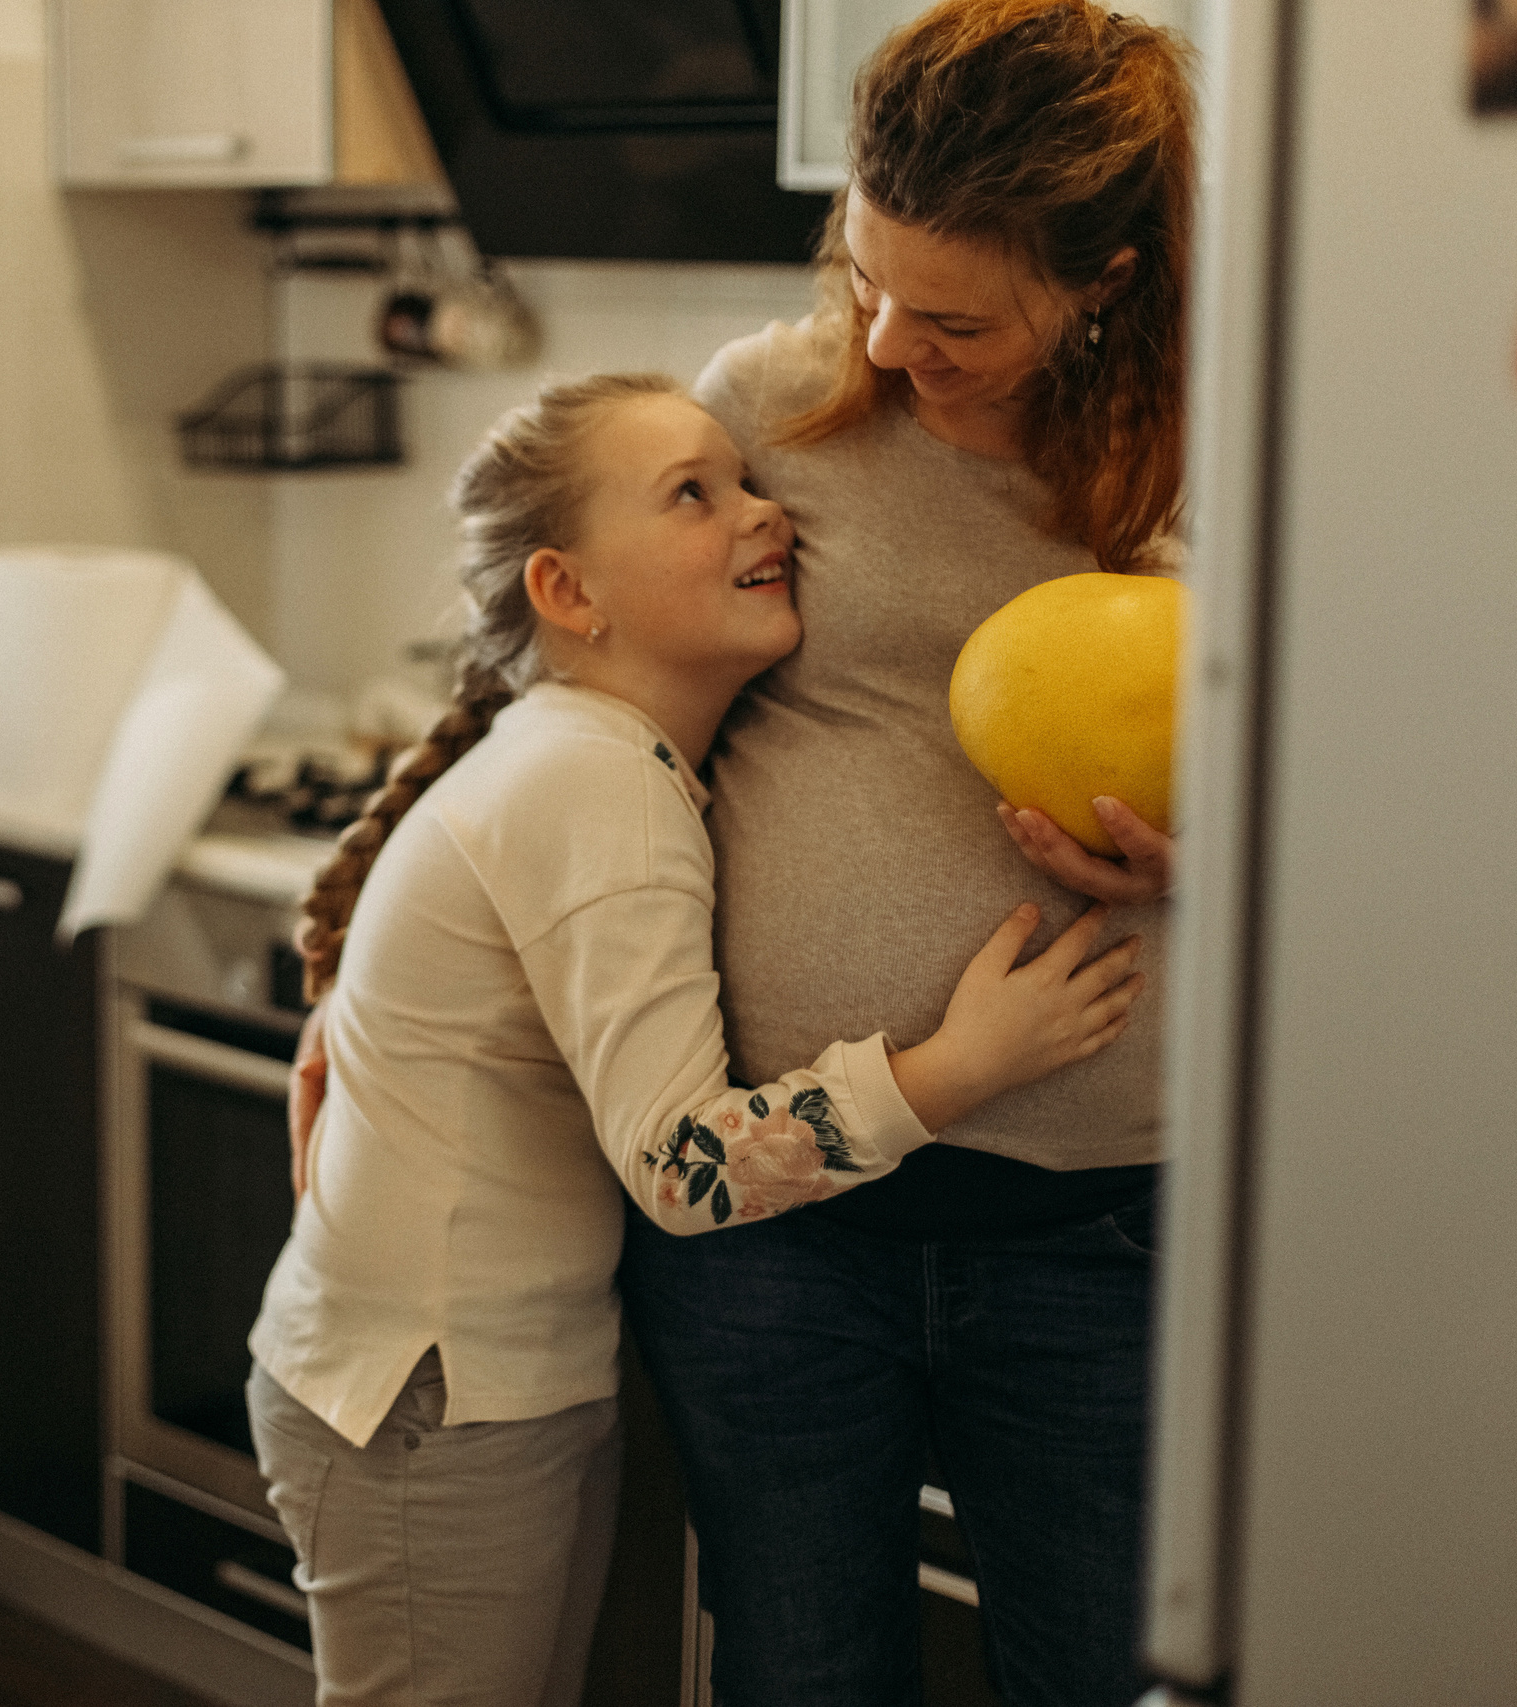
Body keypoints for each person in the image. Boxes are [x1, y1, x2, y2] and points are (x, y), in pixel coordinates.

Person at [247, 372, 1148, 1707]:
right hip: (427, 1399)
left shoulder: (601, 755)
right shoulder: (595, 780)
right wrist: (957, 1067)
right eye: (693, 494)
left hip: (465, 1386)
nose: (760, 512)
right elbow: (684, 1169)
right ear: (567, 590)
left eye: (744, 477)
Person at [612, 4, 1199, 1705]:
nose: (886, 339)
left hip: (1102, 1234)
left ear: (1108, 275)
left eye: (954, 316)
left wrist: (1215, 849)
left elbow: (1385, 799)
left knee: (1097, 1679)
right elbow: (562, 700)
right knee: (801, 1677)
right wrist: (357, 940)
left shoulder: (1233, 462)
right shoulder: (771, 409)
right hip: (781, 1229)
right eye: (867, 279)